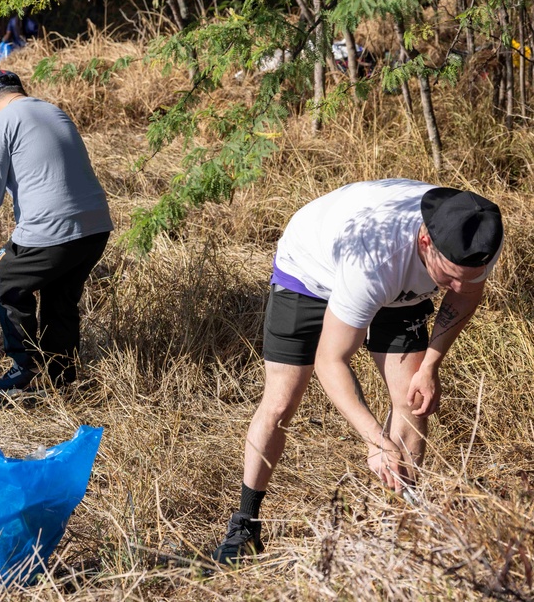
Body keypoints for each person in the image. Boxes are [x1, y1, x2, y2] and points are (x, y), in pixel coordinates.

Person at [211, 179, 504, 565]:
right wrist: (375, 440)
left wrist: (431, 365)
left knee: (411, 403)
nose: (454, 286)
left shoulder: (479, 236)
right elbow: (330, 361)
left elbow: (467, 293)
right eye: (448, 277)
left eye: (464, 276)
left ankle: (403, 525)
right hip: (311, 272)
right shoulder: (376, 259)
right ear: (425, 243)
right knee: (281, 401)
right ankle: (245, 523)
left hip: (399, 288)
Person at [0, 70, 113, 390]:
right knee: (60, 299)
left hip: (55, 229)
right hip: (96, 227)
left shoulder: (0, 123)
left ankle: (23, 369)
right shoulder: (53, 110)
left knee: (9, 281)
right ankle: (63, 380)